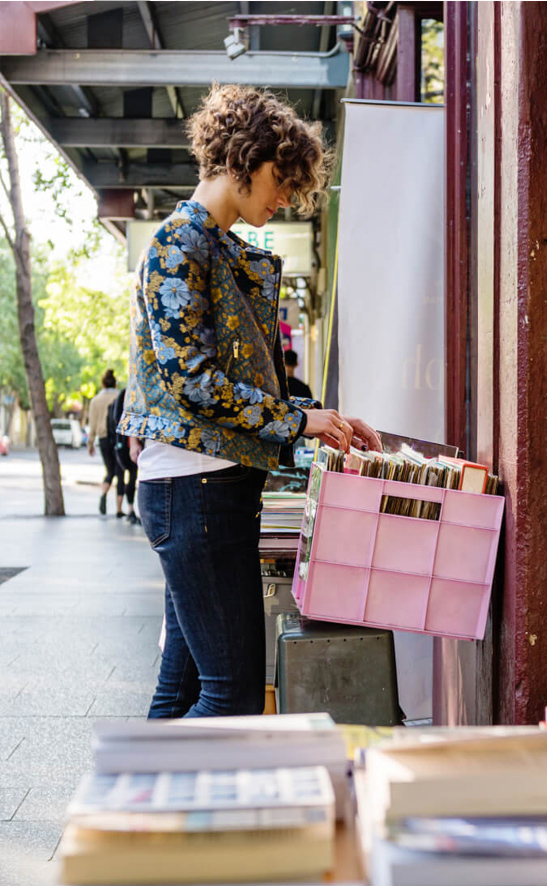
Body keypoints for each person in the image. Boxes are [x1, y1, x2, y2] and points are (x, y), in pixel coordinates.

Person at [118, 84, 381, 719]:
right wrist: (299, 421)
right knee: (230, 692)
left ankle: (144, 810)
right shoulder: (178, 246)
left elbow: (247, 377)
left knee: (184, 690)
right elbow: (197, 383)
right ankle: (131, 809)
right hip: (194, 489)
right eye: (281, 179)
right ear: (246, 158)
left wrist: (324, 419)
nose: (287, 196)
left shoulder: (212, 246)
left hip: (203, 488)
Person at [87, 368, 121, 516]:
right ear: (115, 383)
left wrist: (90, 443)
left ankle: (103, 495)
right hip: (119, 438)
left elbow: (92, 424)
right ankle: (120, 509)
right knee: (120, 471)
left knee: (110, 471)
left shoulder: (95, 400)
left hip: (103, 439)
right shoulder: (120, 396)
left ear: (102, 384)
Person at [107, 389, 140, 524]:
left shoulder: (123, 395)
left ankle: (122, 508)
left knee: (123, 476)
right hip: (126, 443)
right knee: (130, 475)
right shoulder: (130, 394)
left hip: (122, 443)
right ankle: (129, 509)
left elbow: (113, 422)